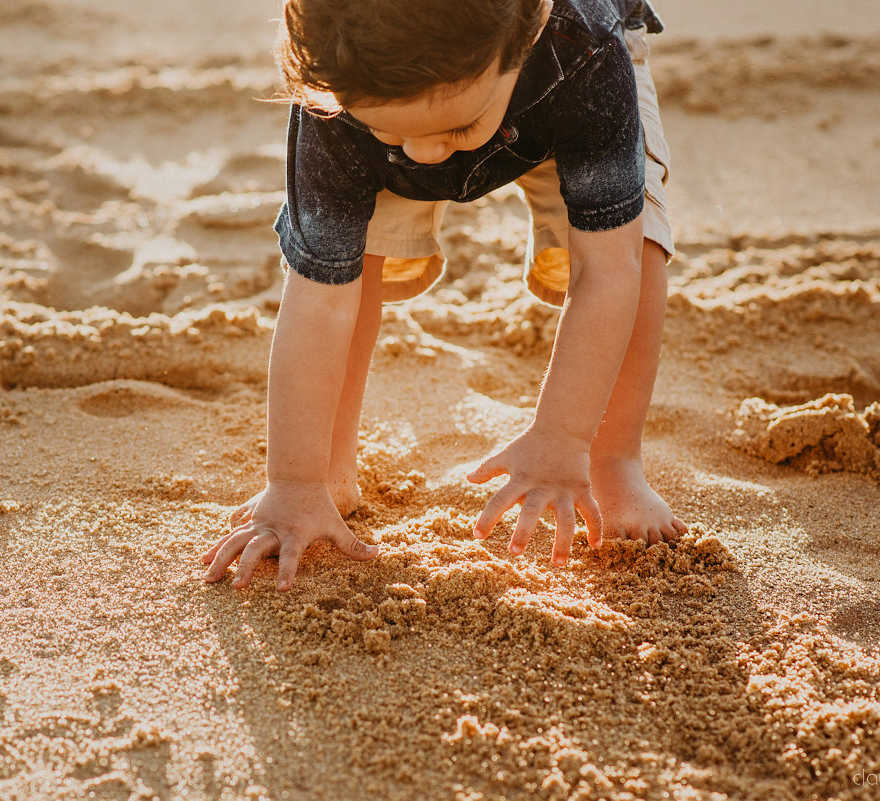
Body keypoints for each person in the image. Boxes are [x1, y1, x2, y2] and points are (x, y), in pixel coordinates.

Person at [201, 0, 688, 591]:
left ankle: (614, 463)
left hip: (562, 93)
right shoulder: (337, 88)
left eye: (454, 133)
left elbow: (606, 271)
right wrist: (291, 482)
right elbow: (321, 300)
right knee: (349, 259)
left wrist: (562, 439)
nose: (425, 154)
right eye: (393, 131)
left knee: (636, 244)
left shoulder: (583, 49)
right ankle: (324, 475)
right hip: (386, 112)